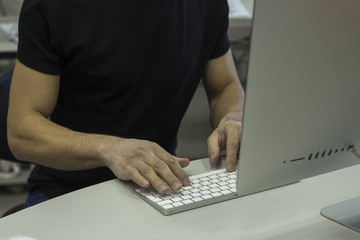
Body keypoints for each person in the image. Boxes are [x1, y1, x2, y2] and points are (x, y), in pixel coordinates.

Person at [7, 0, 244, 207]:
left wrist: (232, 117)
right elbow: (21, 132)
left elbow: (225, 86)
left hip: (159, 184)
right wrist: (110, 149)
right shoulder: (57, 6)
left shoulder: (207, 4)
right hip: (67, 191)